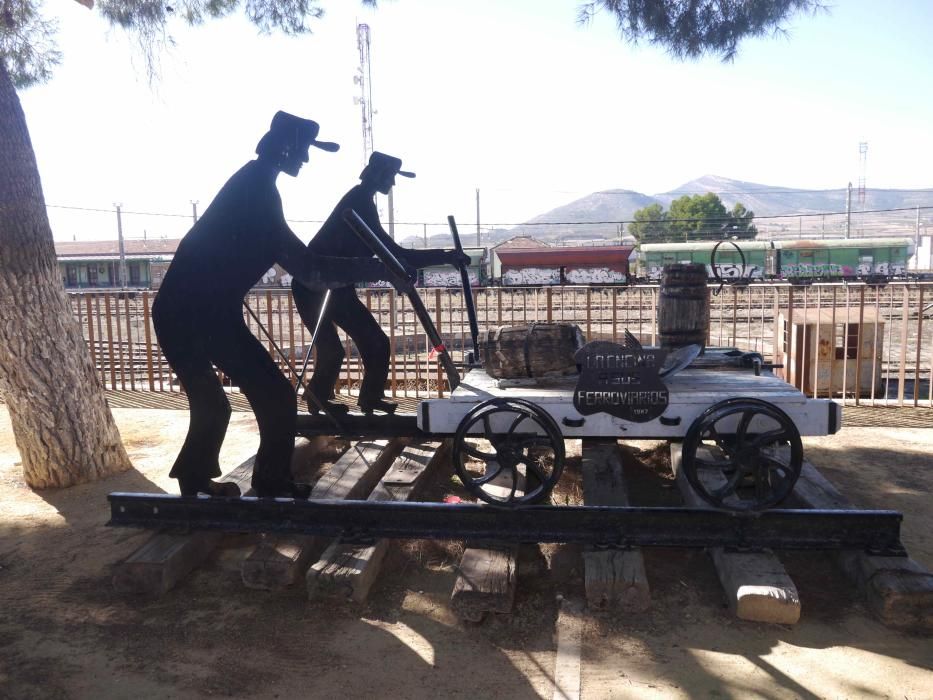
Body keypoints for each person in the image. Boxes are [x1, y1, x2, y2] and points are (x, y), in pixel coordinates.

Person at [152, 112, 388, 498]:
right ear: (285, 147)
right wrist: (376, 268)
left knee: (221, 402)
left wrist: (372, 267)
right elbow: (310, 269)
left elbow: (300, 261)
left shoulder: (256, 183)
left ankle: (201, 480)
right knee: (270, 396)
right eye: (303, 150)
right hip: (195, 313)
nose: (305, 159)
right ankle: (266, 481)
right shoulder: (257, 191)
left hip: (199, 309)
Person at [292, 151, 469, 415]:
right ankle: (321, 402)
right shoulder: (359, 202)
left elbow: (392, 254)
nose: (393, 183)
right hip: (314, 285)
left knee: (370, 343)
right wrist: (444, 257)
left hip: (335, 285)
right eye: (390, 177)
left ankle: (361, 399)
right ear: (378, 175)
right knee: (339, 349)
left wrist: (445, 256)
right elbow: (394, 253)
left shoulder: (362, 200)